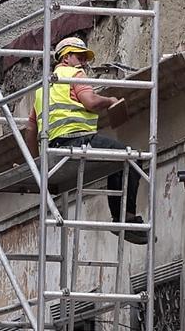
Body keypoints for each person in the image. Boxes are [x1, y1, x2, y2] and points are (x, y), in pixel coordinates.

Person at [26, 36, 149, 244]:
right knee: (131, 159)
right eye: (80, 57)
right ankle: (124, 217)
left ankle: (122, 218)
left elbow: (30, 129)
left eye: (85, 58)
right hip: (78, 140)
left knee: (117, 160)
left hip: (54, 147)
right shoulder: (75, 74)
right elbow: (90, 102)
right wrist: (110, 100)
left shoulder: (42, 89)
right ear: (66, 58)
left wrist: (36, 162)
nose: (84, 62)